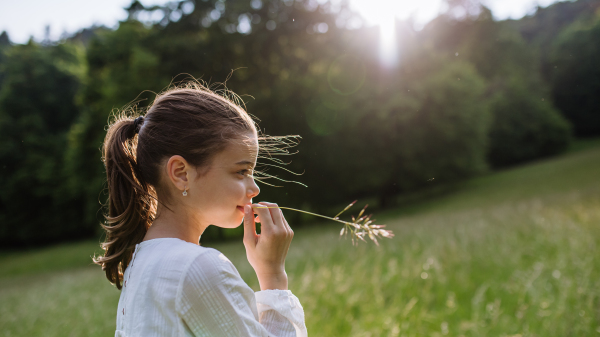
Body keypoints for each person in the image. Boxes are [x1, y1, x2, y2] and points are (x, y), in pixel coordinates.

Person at [93, 83, 307, 337]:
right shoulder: (196, 266)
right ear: (181, 174)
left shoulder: (141, 263)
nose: (255, 188)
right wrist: (272, 275)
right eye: (241, 171)